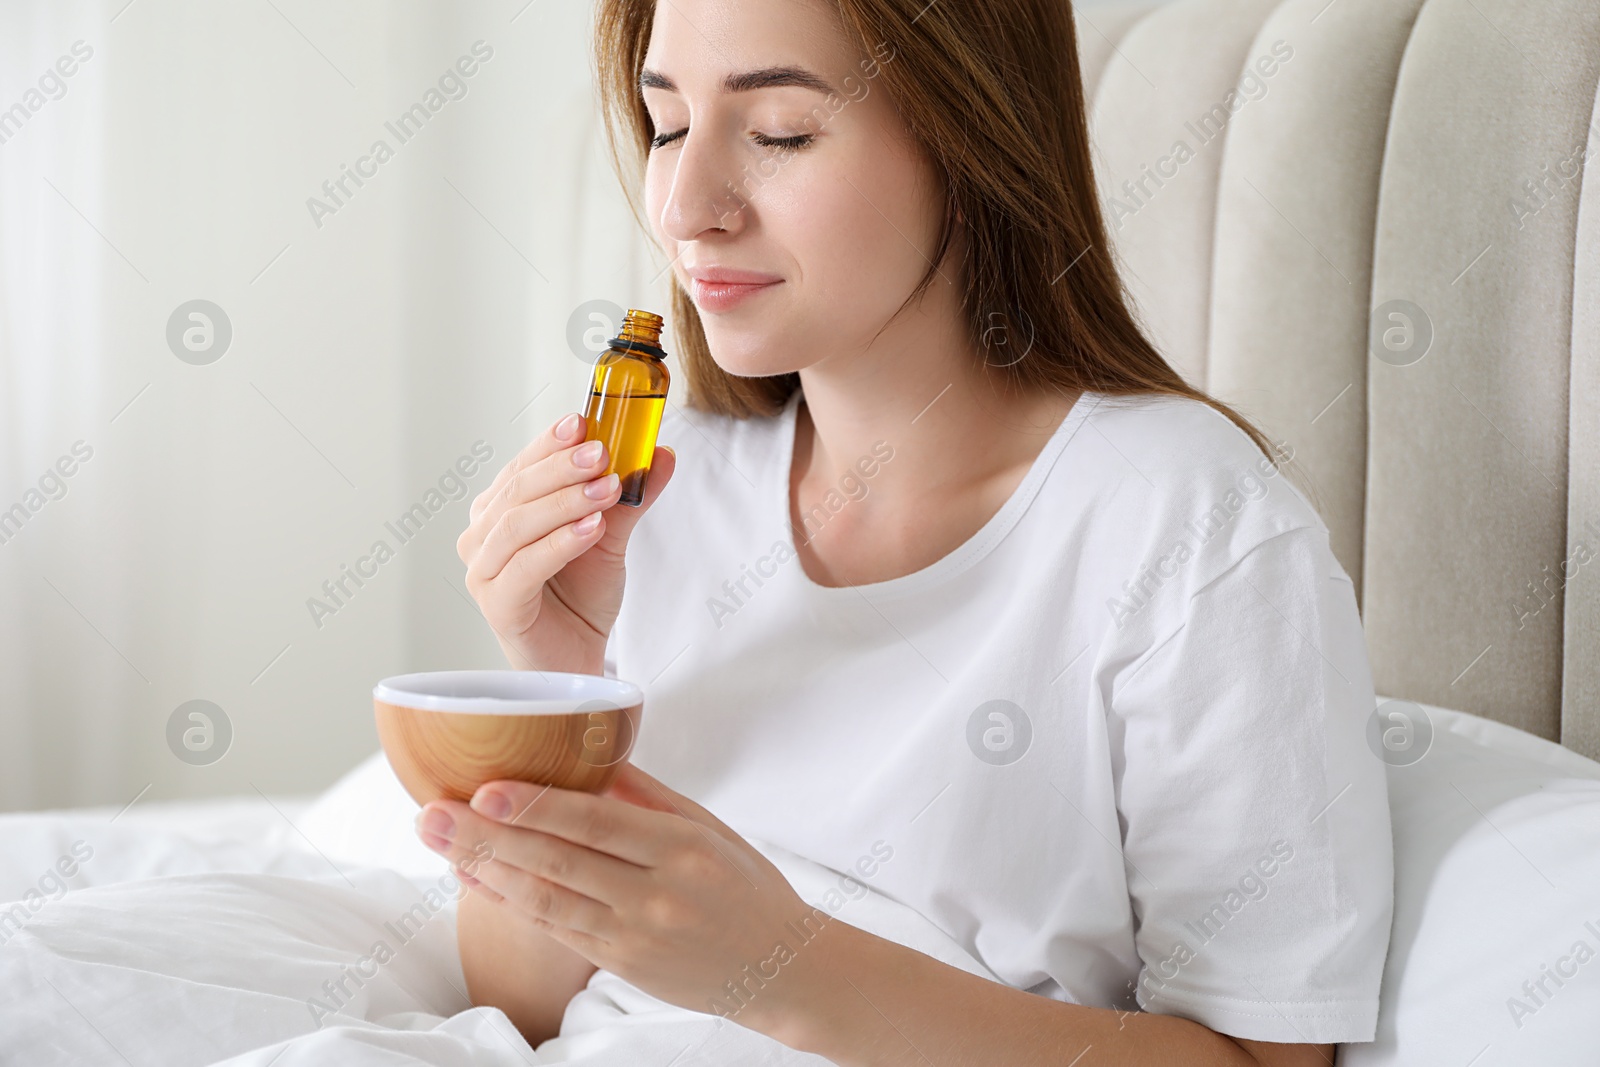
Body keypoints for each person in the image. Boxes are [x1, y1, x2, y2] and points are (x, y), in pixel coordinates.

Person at [416, 0, 1394, 1063]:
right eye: (666, 126)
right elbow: (519, 1008)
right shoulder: (661, 493)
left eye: (780, 131)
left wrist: (783, 965)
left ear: (972, 138)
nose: (688, 207)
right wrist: (562, 689)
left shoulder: (1186, 526)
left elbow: (1266, 1059)